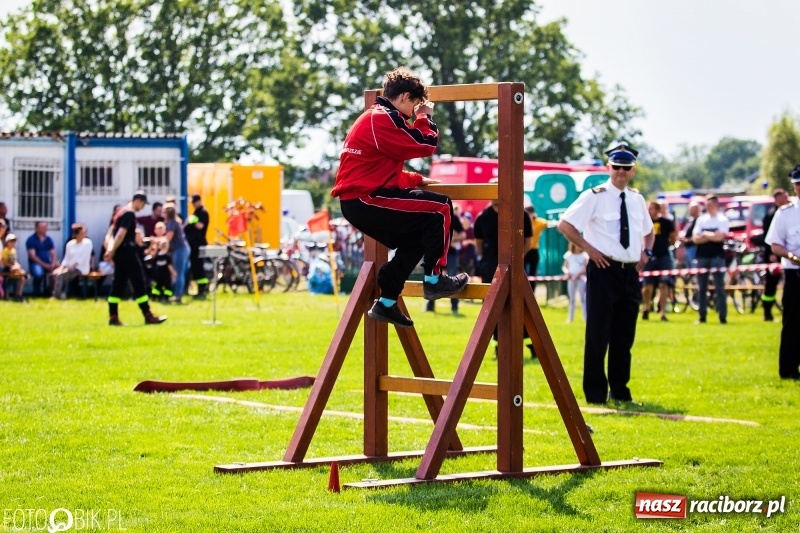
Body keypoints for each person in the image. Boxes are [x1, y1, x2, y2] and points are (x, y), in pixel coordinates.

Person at [330, 66, 468, 328]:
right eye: (415, 105)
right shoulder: (383, 118)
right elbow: (424, 144)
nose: (413, 112)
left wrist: (416, 179)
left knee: (418, 239)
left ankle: (387, 302)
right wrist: (425, 118)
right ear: (405, 97)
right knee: (440, 208)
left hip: (361, 199)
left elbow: (381, 172)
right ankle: (435, 280)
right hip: (365, 199)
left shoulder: (373, 118)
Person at [558, 142, 654, 404]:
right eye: (617, 167)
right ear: (608, 167)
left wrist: (647, 253)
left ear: (633, 170)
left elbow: (649, 231)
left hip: (629, 271)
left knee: (625, 336)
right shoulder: (595, 195)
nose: (621, 172)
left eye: (626, 168)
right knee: (598, 334)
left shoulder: (636, 199)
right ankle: (596, 393)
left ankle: (621, 391)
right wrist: (589, 249)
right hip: (603, 269)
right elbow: (565, 224)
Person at [474, 181, 534, 357]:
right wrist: (488, 261)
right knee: (492, 308)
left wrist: (516, 258)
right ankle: (500, 343)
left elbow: (528, 242)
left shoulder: (520, 214)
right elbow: (479, 244)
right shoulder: (482, 217)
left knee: (518, 304)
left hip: (514, 266)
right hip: (490, 268)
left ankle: (531, 342)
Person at [104, 191, 166, 326]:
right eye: (143, 204)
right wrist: (112, 250)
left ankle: (113, 316)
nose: (143, 207)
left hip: (120, 253)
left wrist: (110, 249)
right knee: (139, 282)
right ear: (138, 201)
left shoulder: (119, 212)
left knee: (118, 284)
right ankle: (148, 315)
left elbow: (110, 233)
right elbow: (120, 234)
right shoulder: (129, 213)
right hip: (127, 252)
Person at [764, 166, 800, 379]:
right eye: (797, 185)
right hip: (796, 274)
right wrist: (793, 257)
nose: (799, 189)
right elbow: (775, 245)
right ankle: (788, 370)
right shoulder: (785, 213)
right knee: (793, 323)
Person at [692, 195, 730, 324]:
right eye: (706, 205)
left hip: (717, 257)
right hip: (702, 256)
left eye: (709, 205)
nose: (707, 207)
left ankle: (722, 316)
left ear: (715, 205)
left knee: (720, 287)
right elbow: (695, 239)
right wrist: (712, 235)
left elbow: (720, 238)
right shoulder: (701, 220)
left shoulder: (722, 219)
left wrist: (705, 235)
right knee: (701, 288)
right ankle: (702, 316)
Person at [641, 200, 676, 321]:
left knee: (663, 285)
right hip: (649, 257)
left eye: (651, 208)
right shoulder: (644, 223)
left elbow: (673, 237)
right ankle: (646, 308)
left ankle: (662, 312)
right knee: (647, 287)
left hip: (663, 256)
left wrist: (666, 244)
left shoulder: (666, 222)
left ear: (657, 210)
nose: (649, 211)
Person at [425, 211, 465, 315]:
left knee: (453, 278)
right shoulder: (432, 214)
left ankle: (454, 307)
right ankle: (430, 306)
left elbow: (463, 234)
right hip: (436, 252)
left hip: (450, 253)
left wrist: (450, 240)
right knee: (433, 277)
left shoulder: (453, 216)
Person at [759, 188, 790, 321]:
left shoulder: (788, 212)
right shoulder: (772, 215)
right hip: (773, 255)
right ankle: (767, 312)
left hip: (785, 253)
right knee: (771, 284)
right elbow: (769, 238)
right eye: (784, 197)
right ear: (777, 199)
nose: (787, 199)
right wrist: (772, 254)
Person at [50, 223, 94, 299]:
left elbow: (83, 258)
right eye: (81, 233)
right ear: (76, 234)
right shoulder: (70, 244)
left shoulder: (88, 243)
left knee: (60, 276)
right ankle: (61, 293)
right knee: (54, 274)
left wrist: (71, 266)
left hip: (81, 268)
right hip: (69, 267)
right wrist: (61, 267)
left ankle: (56, 296)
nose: (83, 235)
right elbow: (66, 258)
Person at [184, 194, 210, 300]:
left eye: (194, 202)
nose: (193, 204)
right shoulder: (195, 213)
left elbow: (200, 226)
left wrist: (192, 220)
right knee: (195, 267)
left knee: (199, 267)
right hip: (193, 245)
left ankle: (202, 289)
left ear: (199, 201)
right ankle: (200, 289)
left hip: (199, 244)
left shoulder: (203, 212)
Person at [164, 202, 191, 303]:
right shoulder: (177, 222)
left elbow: (168, 238)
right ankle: (178, 293)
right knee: (181, 273)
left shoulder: (171, 223)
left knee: (178, 273)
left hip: (179, 249)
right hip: (184, 249)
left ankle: (177, 295)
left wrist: (158, 240)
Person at [25, 221, 58, 296]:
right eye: (42, 227)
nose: (45, 229)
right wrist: (45, 265)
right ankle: (37, 293)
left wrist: (53, 263)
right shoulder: (31, 240)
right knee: (38, 274)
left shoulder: (48, 239)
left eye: (46, 227)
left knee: (57, 273)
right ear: (36, 228)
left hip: (48, 263)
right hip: (36, 264)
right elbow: (32, 256)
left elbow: (53, 253)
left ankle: (51, 292)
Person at [524, 202, 549, 295]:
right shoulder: (523, 221)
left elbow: (547, 223)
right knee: (522, 273)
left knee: (533, 274)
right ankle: (523, 293)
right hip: (524, 250)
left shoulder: (538, 222)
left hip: (533, 250)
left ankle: (532, 294)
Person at [562, 242, 589, 323]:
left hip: (581, 279)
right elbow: (564, 266)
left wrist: (578, 274)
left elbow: (585, 268)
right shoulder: (569, 255)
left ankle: (585, 318)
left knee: (583, 298)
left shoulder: (584, 256)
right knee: (572, 299)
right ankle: (570, 318)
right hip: (571, 279)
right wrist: (567, 272)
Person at [2, 233, 28, 301]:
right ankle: (7, 295)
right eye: (11, 241)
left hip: (14, 268)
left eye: (14, 242)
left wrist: (17, 265)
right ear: (7, 242)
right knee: (16, 272)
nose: (13, 243)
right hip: (7, 268)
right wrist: (12, 266)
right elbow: (4, 262)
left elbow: (14, 260)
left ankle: (18, 294)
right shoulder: (5, 251)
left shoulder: (14, 251)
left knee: (22, 278)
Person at [679, 201, 702, 267]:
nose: (689, 211)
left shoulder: (699, 220)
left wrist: (688, 240)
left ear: (696, 210)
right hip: (688, 247)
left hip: (694, 247)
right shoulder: (691, 220)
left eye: (691, 209)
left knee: (694, 266)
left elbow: (698, 234)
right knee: (689, 267)